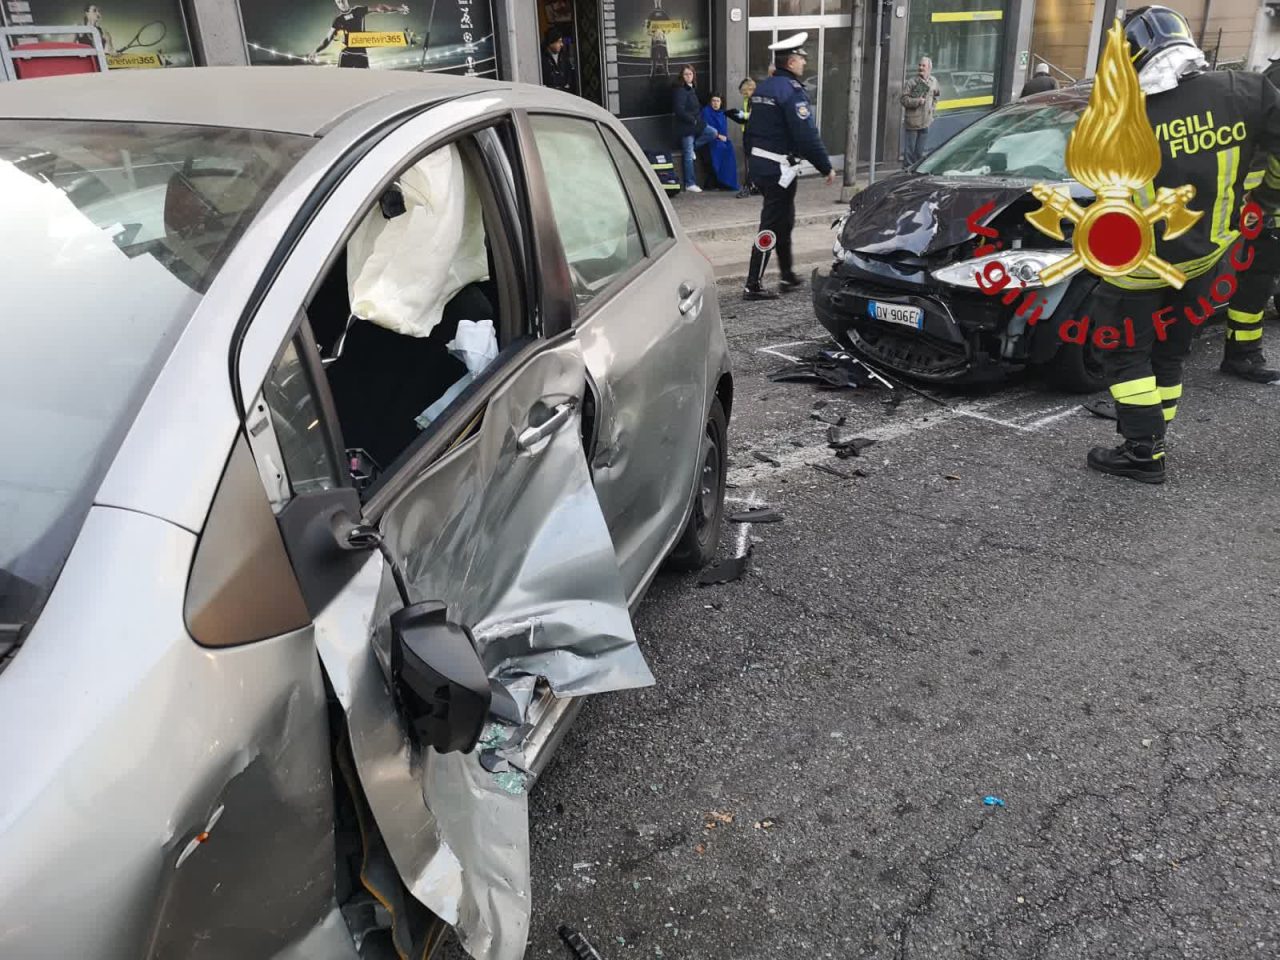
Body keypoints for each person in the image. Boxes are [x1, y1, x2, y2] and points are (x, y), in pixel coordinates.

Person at [1084, 7, 1280, 483]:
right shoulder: (1247, 91)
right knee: (1170, 352)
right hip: (1205, 259)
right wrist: (1268, 195)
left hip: (1139, 268)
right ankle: (1154, 438)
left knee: (1126, 353)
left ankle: (1142, 451)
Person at [742, 32, 835, 300]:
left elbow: (750, 131)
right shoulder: (790, 92)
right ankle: (753, 284)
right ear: (792, 62)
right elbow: (806, 135)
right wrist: (825, 165)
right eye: (802, 59)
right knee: (771, 223)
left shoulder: (763, 88)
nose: (804, 63)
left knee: (784, 219)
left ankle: (787, 275)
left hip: (764, 166)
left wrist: (751, 166)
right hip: (777, 169)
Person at [1219, 55, 1280, 384]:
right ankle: (1242, 354)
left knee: (1256, 284)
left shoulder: (1270, 76)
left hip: (1260, 202)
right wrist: (1266, 203)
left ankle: (1243, 351)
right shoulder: (1275, 78)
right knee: (1255, 283)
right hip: (1262, 205)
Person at [311, 1, 410, 69]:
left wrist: (398, 9)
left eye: (342, 0)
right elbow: (328, 38)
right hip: (346, 54)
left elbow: (380, 9)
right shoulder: (338, 20)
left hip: (361, 54)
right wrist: (315, 51)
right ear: (336, 4)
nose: (341, 2)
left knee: (365, 81)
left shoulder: (358, 10)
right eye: (338, 1)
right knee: (342, 82)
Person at [672, 65, 720, 194]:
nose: (688, 76)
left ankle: (693, 147)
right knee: (688, 155)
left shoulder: (692, 89)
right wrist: (692, 120)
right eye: (686, 74)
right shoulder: (680, 90)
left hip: (696, 124)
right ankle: (690, 183)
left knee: (713, 132)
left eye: (690, 74)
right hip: (686, 127)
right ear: (682, 76)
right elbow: (679, 110)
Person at [900, 55, 941, 166]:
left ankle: (915, 173)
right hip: (913, 123)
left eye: (923, 65)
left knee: (919, 153)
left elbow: (936, 96)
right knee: (909, 153)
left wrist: (932, 110)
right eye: (920, 65)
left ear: (929, 68)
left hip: (925, 123)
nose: (921, 67)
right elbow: (903, 100)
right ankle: (906, 173)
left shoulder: (933, 81)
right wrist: (917, 101)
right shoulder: (912, 82)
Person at [701, 95, 740, 191]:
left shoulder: (722, 113)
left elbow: (724, 130)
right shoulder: (706, 111)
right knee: (719, 149)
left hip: (721, 139)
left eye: (717, 101)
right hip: (709, 139)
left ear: (721, 102)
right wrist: (718, 136)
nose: (715, 103)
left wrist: (723, 138)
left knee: (729, 148)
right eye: (713, 101)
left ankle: (727, 182)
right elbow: (705, 128)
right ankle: (719, 181)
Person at [726, 78, 757, 198]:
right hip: (748, 131)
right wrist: (737, 116)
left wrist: (743, 115)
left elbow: (754, 116)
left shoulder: (755, 99)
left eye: (745, 92)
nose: (744, 95)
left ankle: (748, 187)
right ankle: (753, 185)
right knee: (751, 161)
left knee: (750, 162)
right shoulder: (747, 99)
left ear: (751, 89)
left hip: (753, 134)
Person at [541, 26, 576, 93]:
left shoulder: (564, 57)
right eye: (559, 42)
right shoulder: (542, 58)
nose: (562, 44)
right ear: (551, 42)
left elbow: (569, 76)